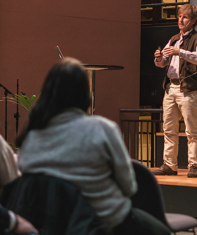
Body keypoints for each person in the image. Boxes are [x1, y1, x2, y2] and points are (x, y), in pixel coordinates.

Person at [16, 58, 170, 235]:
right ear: (84, 93)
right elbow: (129, 187)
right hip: (108, 224)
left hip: (53, 228)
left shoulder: (30, 137)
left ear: (48, 91)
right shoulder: (103, 129)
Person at [153, 4, 197, 178]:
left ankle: (194, 165)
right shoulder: (174, 38)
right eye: (179, 17)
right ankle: (169, 165)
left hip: (188, 89)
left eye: (184, 17)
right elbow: (163, 64)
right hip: (170, 87)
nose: (180, 20)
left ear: (193, 21)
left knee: (192, 130)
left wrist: (180, 52)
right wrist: (159, 58)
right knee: (169, 129)